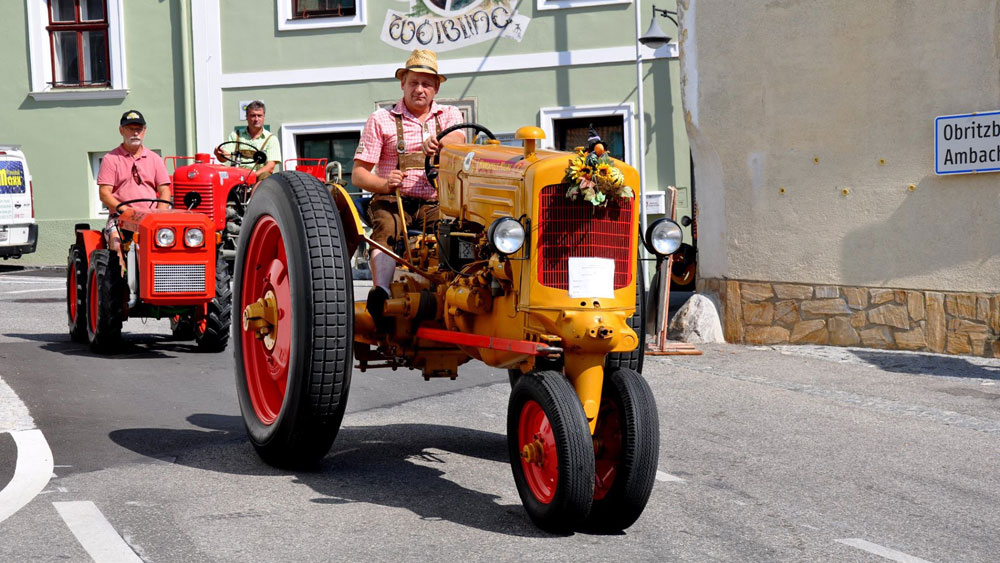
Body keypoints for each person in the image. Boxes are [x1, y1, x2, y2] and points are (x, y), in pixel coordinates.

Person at [352, 49, 466, 324]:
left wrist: (440, 144)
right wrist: (384, 183)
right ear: (402, 83)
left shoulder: (449, 115)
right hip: (393, 202)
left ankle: (454, 295)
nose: (419, 89)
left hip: (435, 203)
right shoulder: (381, 120)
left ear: (436, 87)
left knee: (458, 232)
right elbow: (358, 175)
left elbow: (460, 142)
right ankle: (381, 293)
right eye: (413, 82)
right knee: (387, 229)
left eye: (426, 84)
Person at [97, 110, 171, 257]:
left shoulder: (154, 158)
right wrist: (125, 211)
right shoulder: (111, 159)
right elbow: (104, 194)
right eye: (131, 129)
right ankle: (121, 277)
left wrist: (161, 213)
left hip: (151, 218)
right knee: (117, 243)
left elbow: (164, 190)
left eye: (138, 129)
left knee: (169, 242)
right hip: (120, 217)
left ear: (144, 131)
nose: (135, 133)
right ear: (121, 130)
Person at [214, 100, 281, 179]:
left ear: (264, 117)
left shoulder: (271, 139)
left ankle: (257, 192)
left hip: (258, 177)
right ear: (246, 117)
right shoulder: (236, 135)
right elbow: (224, 158)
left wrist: (252, 176)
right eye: (253, 115)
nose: (256, 119)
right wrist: (219, 154)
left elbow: (270, 166)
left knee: (265, 175)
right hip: (237, 175)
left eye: (259, 116)